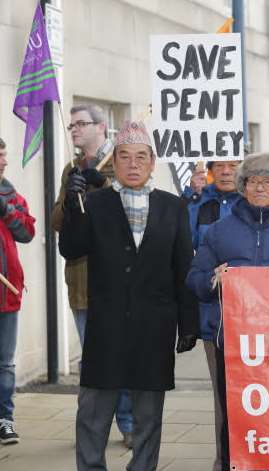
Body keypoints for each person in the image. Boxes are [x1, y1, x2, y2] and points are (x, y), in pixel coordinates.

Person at [59, 120, 199, 471]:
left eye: (141, 157)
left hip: (154, 328)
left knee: (148, 418)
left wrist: (189, 324)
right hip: (106, 328)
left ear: (153, 163)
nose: (133, 164)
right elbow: (71, 248)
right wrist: (72, 204)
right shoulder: (95, 204)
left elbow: (183, 267)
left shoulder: (173, 207)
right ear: (115, 163)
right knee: (93, 415)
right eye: (125, 157)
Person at [186, 152, 269, 471]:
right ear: (243, 186)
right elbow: (193, 279)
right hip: (232, 343)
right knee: (234, 417)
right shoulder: (219, 232)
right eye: (253, 181)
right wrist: (213, 281)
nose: (260, 187)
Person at [49, 104, 135, 448]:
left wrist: (102, 189)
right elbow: (57, 223)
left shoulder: (121, 163)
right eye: (71, 125)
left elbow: (133, 218)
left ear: (101, 128)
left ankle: (128, 423)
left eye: (80, 124)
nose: (73, 130)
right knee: (93, 362)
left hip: (116, 283)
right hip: (82, 283)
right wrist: (70, 199)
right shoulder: (72, 168)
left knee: (121, 355)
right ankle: (94, 426)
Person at [184, 159, 241, 471]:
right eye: (220, 165)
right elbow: (187, 245)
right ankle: (224, 461)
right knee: (223, 397)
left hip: (256, 319)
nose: (227, 171)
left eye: (235, 165)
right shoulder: (198, 203)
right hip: (215, 316)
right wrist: (191, 199)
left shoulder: (255, 201)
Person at [0, 138, 35, 445]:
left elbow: (26, 233)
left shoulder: (13, 196)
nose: (3, 163)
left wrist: (6, 209)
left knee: (5, 363)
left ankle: (5, 419)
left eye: (3, 156)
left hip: (6, 293)